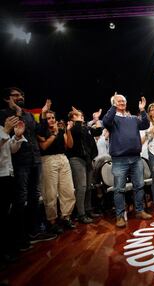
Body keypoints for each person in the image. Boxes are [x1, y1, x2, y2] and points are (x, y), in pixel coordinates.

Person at [0, 87, 56, 251]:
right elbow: (9, 136)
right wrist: (17, 112)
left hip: (34, 160)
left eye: (21, 94)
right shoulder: (3, 114)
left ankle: (33, 232)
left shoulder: (29, 115)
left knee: (34, 198)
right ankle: (19, 236)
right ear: (7, 99)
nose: (20, 97)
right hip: (18, 163)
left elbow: (41, 131)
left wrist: (44, 115)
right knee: (20, 200)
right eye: (15, 95)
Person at [102, 93, 151, 228]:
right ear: (114, 104)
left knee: (139, 185)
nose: (122, 103)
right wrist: (113, 107)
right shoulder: (112, 120)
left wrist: (142, 110)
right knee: (119, 189)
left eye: (123, 101)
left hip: (136, 158)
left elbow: (146, 125)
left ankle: (140, 210)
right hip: (119, 160)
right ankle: (119, 216)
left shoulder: (133, 119)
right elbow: (105, 122)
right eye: (118, 101)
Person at [37, 105, 77, 234]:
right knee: (51, 193)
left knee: (68, 190)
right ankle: (52, 221)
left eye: (53, 117)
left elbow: (69, 145)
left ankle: (66, 216)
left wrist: (68, 131)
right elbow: (43, 146)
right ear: (44, 119)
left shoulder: (60, 130)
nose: (52, 120)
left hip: (63, 159)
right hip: (48, 160)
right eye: (48, 118)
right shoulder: (41, 131)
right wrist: (54, 134)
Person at [67, 107, 103, 223]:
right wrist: (77, 119)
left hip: (87, 159)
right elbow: (77, 131)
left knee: (88, 186)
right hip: (77, 159)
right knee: (81, 187)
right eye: (77, 115)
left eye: (81, 115)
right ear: (72, 119)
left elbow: (98, 131)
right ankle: (81, 214)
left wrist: (97, 119)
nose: (81, 116)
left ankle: (88, 210)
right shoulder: (73, 128)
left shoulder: (85, 127)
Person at [0, 116, 25, 268]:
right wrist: (7, 131)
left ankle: (6, 250)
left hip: (7, 174)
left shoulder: (1, 129)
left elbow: (11, 149)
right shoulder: (3, 129)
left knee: (6, 215)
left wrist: (16, 136)